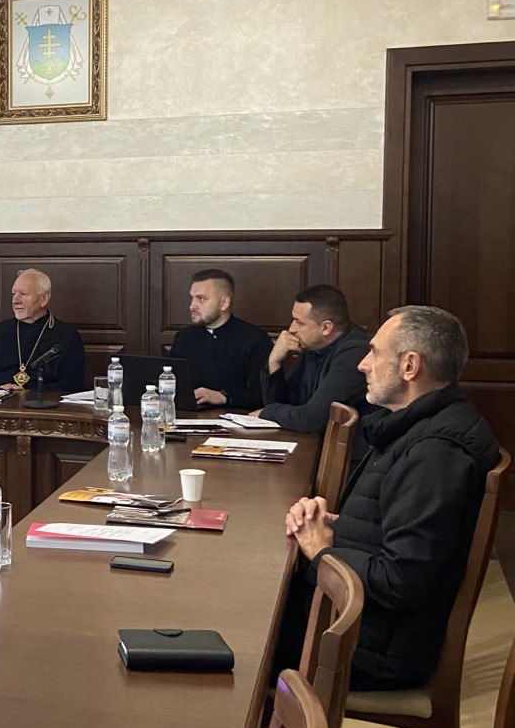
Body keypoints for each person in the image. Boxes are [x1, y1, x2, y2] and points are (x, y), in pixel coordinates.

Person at [285, 306, 500, 689]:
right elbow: (395, 527)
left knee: (241, 632)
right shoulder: (418, 426)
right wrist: (331, 525)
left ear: (410, 366)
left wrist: (322, 552)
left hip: (368, 648)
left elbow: (401, 579)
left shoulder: (436, 452)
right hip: (353, 621)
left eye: (374, 352)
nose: (363, 364)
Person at [254, 284, 375, 432]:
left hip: (351, 446)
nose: (291, 329)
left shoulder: (355, 354)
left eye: (299, 322)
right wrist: (274, 362)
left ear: (326, 328)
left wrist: (268, 412)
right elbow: (284, 404)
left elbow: (312, 419)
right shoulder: (313, 345)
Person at [168, 269, 271, 408]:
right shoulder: (184, 337)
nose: (192, 306)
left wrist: (224, 397)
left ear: (224, 303)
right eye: (192, 298)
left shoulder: (255, 339)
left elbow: (262, 395)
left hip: (235, 416)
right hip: (187, 415)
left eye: (201, 298)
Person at [0, 269, 85, 392]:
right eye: (14, 294)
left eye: (23, 294)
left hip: (42, 402)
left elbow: (73, 384)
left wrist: (27, 392)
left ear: (44, 298)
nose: (15, 300)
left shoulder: (66, 335)